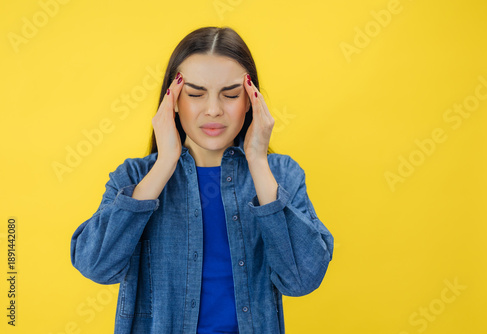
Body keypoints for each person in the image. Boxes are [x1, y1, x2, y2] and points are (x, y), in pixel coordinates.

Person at [70, 26, 334, 334]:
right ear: (173, 101)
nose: (213, 110)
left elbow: (301, 280)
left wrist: (258, 161)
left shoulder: (282, 175)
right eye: (195, 94)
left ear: (250, 100)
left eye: (231, 95)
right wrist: (166, 162)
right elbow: (96, 266)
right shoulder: (135, 178)